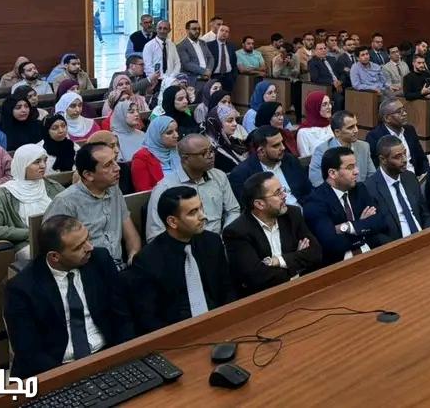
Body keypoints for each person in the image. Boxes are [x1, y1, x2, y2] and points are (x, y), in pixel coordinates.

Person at [4, 215, 134, 379]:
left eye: (88, 239)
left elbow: (122, 316)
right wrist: (70, 377)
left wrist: (125, 356)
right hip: (55, 368)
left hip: (105, 355)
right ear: (55, 257)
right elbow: (28, 352)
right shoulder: (21, 288)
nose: (89, 247)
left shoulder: (100, 260)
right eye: (79, 247)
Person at [128, 186, 236, 332]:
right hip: (177, 332)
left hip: (220, 323)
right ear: (172, 222)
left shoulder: (212, 242)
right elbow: (148, 317)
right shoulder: (147, 260)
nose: (203, 216)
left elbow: (227, 289)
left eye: (200, 208)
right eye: (193, 212)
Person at [223, 172, 322, 294]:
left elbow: (316, 253)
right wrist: (297, 261)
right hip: (264, 298)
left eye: (282, 190)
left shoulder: (292, 214)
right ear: (260, 204)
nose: (284, 195)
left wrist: (278, 261)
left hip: (302, 288)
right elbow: (256, 277)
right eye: (278, 193)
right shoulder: (236, 232)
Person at [44, 143, 142, 266]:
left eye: (114, 161)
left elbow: (130, 233)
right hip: (87, 270)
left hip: (119, 267)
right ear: (88, 175)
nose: (117, 168)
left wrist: (133, 257)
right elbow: (57, 253)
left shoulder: (114, 189)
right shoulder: (65, 202)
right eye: (108, 165)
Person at [145, 134, 240, 240]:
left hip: (220, 240)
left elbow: (233, 210)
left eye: (212, 150)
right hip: (185, 245)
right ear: (186, 158)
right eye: (204, 153)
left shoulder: (219, 176)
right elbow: (155, 235)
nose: (211, 156)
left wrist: (225, 236)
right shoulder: (165, 188)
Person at [303, 146, 384, 266]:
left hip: (371, 251)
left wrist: (346, 227)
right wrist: (362, 226)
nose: (356, 171)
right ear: (332, 173)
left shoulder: (360, 189)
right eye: (350, 168)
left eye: (355, 166)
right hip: (339, 263)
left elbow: (380, 221)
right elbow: (330, 242)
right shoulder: (314, 201)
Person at [0, 144, 65, 257]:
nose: (43, 165)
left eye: (45, 160)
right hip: (27, 244)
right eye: (36, 162)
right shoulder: (6, 193)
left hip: (59, 238)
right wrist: (30, 233)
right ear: (22, 165)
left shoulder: (52, 186)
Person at [364, 136, 430, 244]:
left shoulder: (410, 177)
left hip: (423, 239)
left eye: (404, 153)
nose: (405, 160)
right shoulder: (369, 188)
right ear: (383, 159)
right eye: (397, 157)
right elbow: (375, 232)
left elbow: (425, 214)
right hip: (396, 246)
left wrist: (429, 236)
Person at [228, 126, 311, 206]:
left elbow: (308, 190)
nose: (283, 147)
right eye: (276, 145)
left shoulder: (289, 160)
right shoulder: (242, 174)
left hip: (301, 208)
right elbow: (248, 208)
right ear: (261, 151)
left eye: (282, 142)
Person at [308, 110, 376, 186]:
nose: (356, 130)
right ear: (337, 132)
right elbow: (317, 181)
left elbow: (372, 177)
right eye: (350, 128)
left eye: (356, 125)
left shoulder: (364, 146)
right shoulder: (322, 150)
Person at [365, 98, 429, 177]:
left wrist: (425, 174)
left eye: (404, 110)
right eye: (399, 112)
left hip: (415, 176)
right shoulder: (374, 136)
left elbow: (421, 158)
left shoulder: (410, 130)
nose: (405, 113)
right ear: (387, 118)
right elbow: (376, 167)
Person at [130, 116, 181, 192]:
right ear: (156, 135)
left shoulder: (179, 150)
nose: (176, 135)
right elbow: (143, 191)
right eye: (169, 133)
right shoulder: (141, 158)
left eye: (176, 130)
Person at [203, 109, 247, 173]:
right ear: (216, 123)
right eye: (230, 121)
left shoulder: (231, 141)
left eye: (236, 120)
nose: (235, 124)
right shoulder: (210, 150)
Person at [107, 99, 145, 163]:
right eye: (131, 112)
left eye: (137, 111)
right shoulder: (112, 139)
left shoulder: (142, 134)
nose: (137, 114)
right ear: (121, 115)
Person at [297, 92, 333, 157]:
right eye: (324, 104)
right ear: (314, 107)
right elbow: (305, 159)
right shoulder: (303, 132)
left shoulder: (330, 125)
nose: (329, 107)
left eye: (329, 103)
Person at [207, 24, 238, 91]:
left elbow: (234, 63)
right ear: (217, 32)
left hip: (228, 77)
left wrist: (234, 77)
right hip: (214, 77)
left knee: (227, 96)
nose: (224, 33)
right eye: (222, 30)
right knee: (214, 96)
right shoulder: (208, 45)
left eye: (227, 31)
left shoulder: (231, 46)